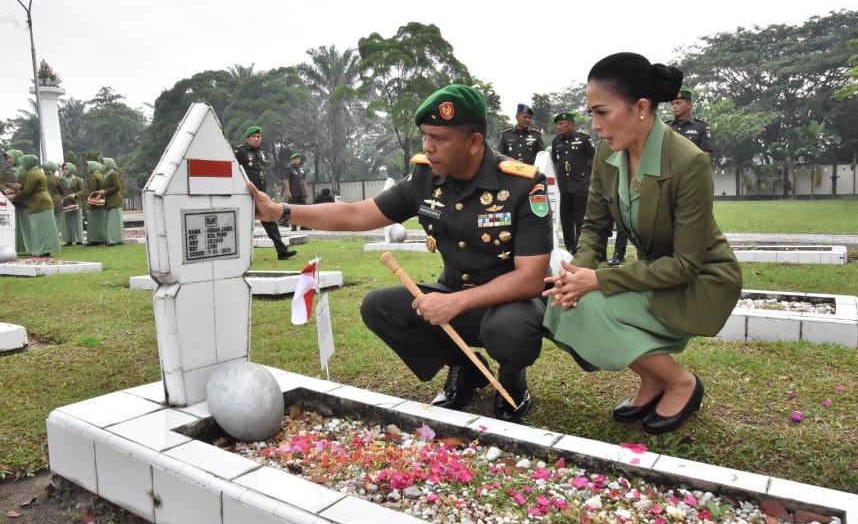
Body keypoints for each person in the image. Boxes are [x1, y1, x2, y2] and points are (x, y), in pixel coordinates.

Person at [247, 85, 553, 422]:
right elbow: (357, 214)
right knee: (379, 308)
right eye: (425, 136)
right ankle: (465, 368)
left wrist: (455, 302)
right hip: (451, 294)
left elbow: (530, 279)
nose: (427, 147)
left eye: (438, 138)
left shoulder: (523, 184)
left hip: (509, 303)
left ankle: (511, 379)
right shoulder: (425, 177)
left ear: (474, 142)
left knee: (512, 330)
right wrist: (281, 212)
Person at [542, 53, 742, 435]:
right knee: (565, 299)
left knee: (591, 303)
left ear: (641, 108)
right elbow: (594, 226)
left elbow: (685, 264)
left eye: (602, 112)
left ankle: (681, 383)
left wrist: (598, 280)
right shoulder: (607, 152)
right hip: (656, 273)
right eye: (591, 114)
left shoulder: (687, 162)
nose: (595, 126)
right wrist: (577, 272)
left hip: (700, 279)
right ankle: (653, 379)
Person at [234, 126, 297, 260]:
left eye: (259, 136)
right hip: (245, 194)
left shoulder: (261, 152)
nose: (257, 139)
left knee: (270, 219)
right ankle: (239, 255)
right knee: (242, 223)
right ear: (248, 138)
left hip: (261, 192)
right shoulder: (240, 151)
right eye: (254, 137)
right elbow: (233, 170)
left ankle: (282, 251)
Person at [550, 112, 595, 253]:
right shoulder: (556, 142)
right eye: (557, 124)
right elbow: (555, 162)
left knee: (580, 219)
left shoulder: (583, 139)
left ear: (571, 124)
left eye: (561, 124)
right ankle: (570, 248)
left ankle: (581, 247)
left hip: (580, 185)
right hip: (563, 186)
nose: (558, 127)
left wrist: (589, 178)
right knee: (566, 219)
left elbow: (592, 160)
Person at [9, 154, 60, 257]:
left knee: (39, 229)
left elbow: (28, 191)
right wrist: (21, 186)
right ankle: (44, 251)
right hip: (44, 202)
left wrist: (14, 197)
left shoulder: (32, 174)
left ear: (28, 163)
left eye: (24, 164)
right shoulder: (38, 171)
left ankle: (40, 251)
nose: (23, 166)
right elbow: (33, 186)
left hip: (39, 203)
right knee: (44, 229)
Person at [665, 89, 713, 158]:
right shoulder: (665, 126)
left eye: (678, 103)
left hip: (692, 164)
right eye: (673, 104)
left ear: (689, 104)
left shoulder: (701, 127)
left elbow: (705, 155)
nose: (674, 106)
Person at [2, 149, 30, 253]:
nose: (8, 160)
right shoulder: (4, 170)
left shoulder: (26, 169)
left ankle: (28, 248)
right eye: (7, 158)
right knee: (12, 225)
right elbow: (0, 183)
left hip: (24, 201)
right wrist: (4, 189)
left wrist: (21, 188)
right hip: (10, 203)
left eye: (10, 157)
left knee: (26, 225)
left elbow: (30, 184)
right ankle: (13, 248)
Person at [96, 157, 125, 245]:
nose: (103, 165)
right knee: (112, 222)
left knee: (114, 222)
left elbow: (117, 187)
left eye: (104, 164)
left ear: (109, 164)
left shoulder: (113, 174)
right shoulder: (105, 175)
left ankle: (114, 240)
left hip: (115, 201)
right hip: (109, 201)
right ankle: (114, 240)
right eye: (102, 164)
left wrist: (105, 191)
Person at [282, 152, 308, 231]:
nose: (297, 160)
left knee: (303, 210)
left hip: (302, 192)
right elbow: (286, 181)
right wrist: (288, 192)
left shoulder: (301, 169)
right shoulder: (289, 169)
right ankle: (294, 226)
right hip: (293, 193)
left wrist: (306, 190)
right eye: (295, 159)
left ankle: (304, 225)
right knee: (293, 210)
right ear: (292, 160)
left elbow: (304, 180)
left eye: (298, 159)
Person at [61, 162, 84, 245]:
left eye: (66, 169)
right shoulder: (61, 180)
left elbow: (82, 191)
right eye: (63, 169)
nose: (64, 170)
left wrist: (75, 195)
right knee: (66, 221)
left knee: (77, 221)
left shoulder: (78, 179)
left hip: (76, 203)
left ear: (71, 169)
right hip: (65, 203)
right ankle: (68, 240)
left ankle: (78, 240)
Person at [83, 161, 107, 245]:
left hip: (94, 203)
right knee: (101, 222)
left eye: (89, 167)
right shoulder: (102, 175)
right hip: (102, 201)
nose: (87, 168)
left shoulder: (93, 177)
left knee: (93, 222)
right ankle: (102, 238)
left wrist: (89, 203)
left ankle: (94, 239)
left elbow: (92, 191)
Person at [42, 161, 65, 237]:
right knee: (56, 222)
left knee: (45, 223)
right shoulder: (57, 178)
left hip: (43, 202)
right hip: (56, 202)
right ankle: (55, 239)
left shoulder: (40, 177)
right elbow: (63, 191)